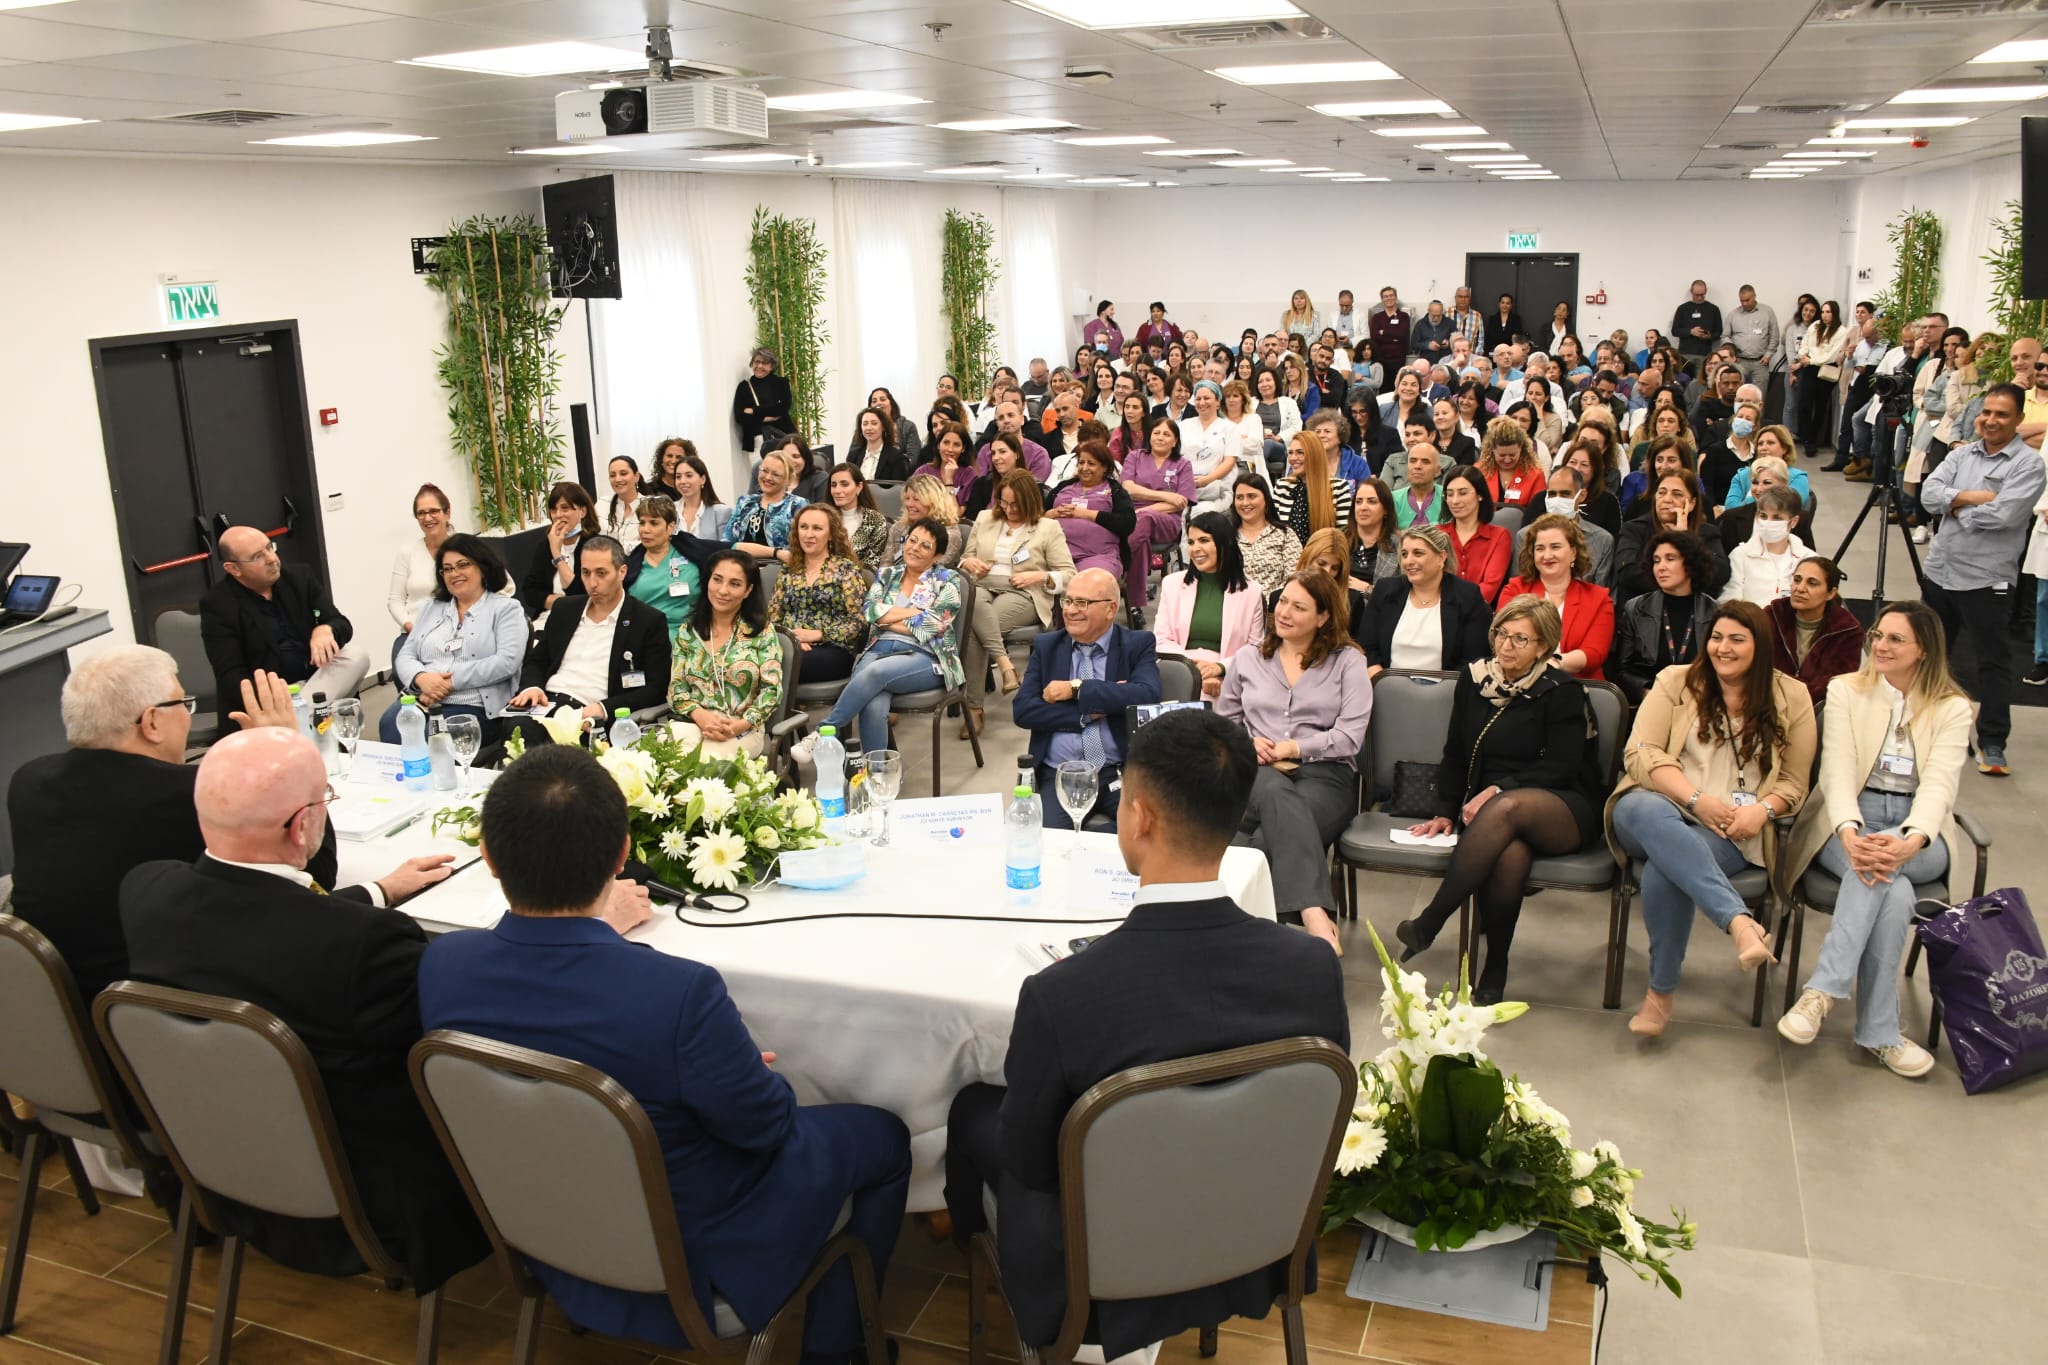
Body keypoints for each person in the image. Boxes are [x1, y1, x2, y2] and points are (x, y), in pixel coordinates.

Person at [418, 744, 908, 1359]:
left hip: (540, 1232)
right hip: (690, 1257)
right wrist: (741, 1071)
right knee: (885, 1136)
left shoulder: (442, 965)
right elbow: (765, 1128)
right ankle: (838, 1352)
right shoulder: (677, 993)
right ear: (624, 854)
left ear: (487, 856)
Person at [941, 707, 1346, 1359]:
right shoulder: (1312, 968)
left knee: (969, 1110)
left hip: (1097, 1285)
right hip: (1261, 1245)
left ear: (1140, 817)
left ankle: (965, 1253)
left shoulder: (1062, 994)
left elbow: (1028, 1158)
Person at [119, 727, 481, 1289]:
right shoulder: (364, 947)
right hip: (371, 1205)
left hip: (216, 1172)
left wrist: (377, 892)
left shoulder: (145, 893)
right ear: (302, 825)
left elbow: (259, 923)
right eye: (323, 801)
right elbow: (452, 1043)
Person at [9, 657, 336, 1007]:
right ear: (151, 722)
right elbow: (316, 870)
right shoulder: (187, 795)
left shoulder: (29, 780)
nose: (188, 716)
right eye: (183, 703)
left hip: (47, 1002)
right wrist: (284, 752)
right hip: (156, 1011)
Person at [1777, 602, 1971, 1078]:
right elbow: (1837, 771)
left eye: (1895, 639)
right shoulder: (1847, 690)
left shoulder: (1953, 707)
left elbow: (1940, 786)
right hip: (1849, 817)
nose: (1881, 646)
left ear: (1924, 650)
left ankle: (1821, 992)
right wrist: (1848, 831)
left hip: (1918, 829)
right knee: (1891, 887)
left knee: (1878, 871)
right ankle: (1880, 1033)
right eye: (1877, 636)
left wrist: (1911, 840)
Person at [1606, 600, 1817, 1037]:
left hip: (1733, 829)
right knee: (1645, 809)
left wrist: (1762, 810)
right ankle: (1738, 921)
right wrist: (1696, 800)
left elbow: (1795, 783)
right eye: (1717, 637)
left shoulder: (1791, 696)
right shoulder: (1676, 680)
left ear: (1760, 646)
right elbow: (1641, 753)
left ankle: (1660, 994)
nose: (1723, 648)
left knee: (1667, 869)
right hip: (1660, 805)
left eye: (1737, 639)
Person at [1393, 595, 1604, 1002]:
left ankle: (1430, 921)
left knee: (1507, 806)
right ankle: (1496, 966)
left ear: (1543, 647)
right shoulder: (1474, 680)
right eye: (1501, 634)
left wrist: (1499, 788)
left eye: (1520, 639)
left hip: (1560, 802)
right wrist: (1446, 809)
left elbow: (1563, 764)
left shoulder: (1561, 690)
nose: (1506, 646)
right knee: (1510, 854)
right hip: (1491, 812)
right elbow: (1455, 751)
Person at [1216, 570, 1370, 954]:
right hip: (1257, 770)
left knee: (1260, 842)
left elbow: (1350, 737)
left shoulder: (1348, 662)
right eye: (1282, 601)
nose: (1284, 612)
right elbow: (1224, 725)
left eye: (1299, 607)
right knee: (1271, 789)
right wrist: (1247, 743)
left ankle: (1246, 939)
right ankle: (1313, 914)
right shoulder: (1249, 658)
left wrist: (1294, 748)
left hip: (1326, 774)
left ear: (1323, 617)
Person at [1919, 382, 2043, 775]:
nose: (1990, 420)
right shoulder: (1961, 454)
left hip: (1986, 579)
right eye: (1987, 412)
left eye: (2002, 414)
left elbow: (2005, 515)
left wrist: (1953, 505)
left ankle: (1992, 742)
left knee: (1992, 662)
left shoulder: (2028, 465)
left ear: (2018, 419)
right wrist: (1973, 498)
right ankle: (1925, 731)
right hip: (1940, 571)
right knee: (1929, 656)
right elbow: (1927, 494)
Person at [1010, 569, 1159, 830]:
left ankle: (1092, 845)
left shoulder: (1137, 644)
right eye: (1068, 601)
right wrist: (1088, 712)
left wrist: (1077, 689)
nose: (1070, 610)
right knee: (1049, 839)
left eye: (1082, 603)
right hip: (1060, 773)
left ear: (1111, 609)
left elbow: (1146, 695)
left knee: (1148, 831)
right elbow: (1023, 711)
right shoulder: (1047, 646)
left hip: (1118, 771)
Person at [801, 518, 964, 757]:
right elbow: (870, 611)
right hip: (879, 648)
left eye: (925, 546)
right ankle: (877, 770)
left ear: (937, 555)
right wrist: (914, 613)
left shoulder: (948, 580)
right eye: (912, 540)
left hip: (927, 656)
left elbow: (932, 625)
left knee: (875, 673)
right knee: (873, 704)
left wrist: (886, 618)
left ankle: (823, 732)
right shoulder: (888, 574)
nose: (915, 548)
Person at [504, 536, 673, 746]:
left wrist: (605, 708)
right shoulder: (565, 609)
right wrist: (532, 688)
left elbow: (656, 688)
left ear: (622, 572)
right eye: (586, 573)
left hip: (591, 711)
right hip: (547, 703)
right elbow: (537, 660)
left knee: (564, 754)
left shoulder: (646, 620)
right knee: (516, 734)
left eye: (601, 573)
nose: (592, 583)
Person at [201, 525, 369, 724]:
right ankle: (300, 719)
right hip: (275, 697)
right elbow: (231, 676)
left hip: (319, 680)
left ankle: (297, 720)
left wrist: (326, 629)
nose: (272, 558)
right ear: (234, 569)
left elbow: (341, 624)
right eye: (257, 556)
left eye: (269, 547)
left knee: (355, 656)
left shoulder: (300, 577)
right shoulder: (218, 604)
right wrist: (275, 699)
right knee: (317, 702)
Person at [379, 535, 526, 743]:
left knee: (428, 739)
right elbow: (405, 655)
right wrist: (422, 678)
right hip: (424, 698)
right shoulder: (430, 608)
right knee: (390, 725)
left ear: (482, 567)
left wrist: (448, 681)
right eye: (447, 569)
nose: (454, 573)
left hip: (475, 707)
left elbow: (506, 662)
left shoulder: (506, 609)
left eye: (463, 565)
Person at [957, 468, 1075, 720]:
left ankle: (974, 709)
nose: (1009, 510)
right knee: (976, 611)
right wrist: (969, 563)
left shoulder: (1047, 527)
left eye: (1015, 505)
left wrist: (1038, 577)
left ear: (1029, 501)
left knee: (974, 628)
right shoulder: (985, 518)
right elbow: (965, 558)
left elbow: (1069, 575)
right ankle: (1005, 665)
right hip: (983, 585)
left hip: (1023, 591)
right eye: (1004, 502)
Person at [1153, 510, 1265, 698]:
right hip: (1179, 667)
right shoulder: (1171, 584)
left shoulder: (1251, 591)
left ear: (1224, 543)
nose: (1195, 548)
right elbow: (1161, 639)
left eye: (1204, 540)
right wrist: (1196, 670)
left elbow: (1255, 648)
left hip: (1230, 672)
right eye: (1191, 542)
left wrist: (1219, 668)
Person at [1358, 524, 1492, 677]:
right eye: (1404, 554)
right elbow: (1367, 646)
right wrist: (1379, 681)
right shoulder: (1385, 590)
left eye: (1418, 553)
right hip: (1388, 685)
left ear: (1441, 557)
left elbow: (1474, 659)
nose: (1408, 561)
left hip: (1446, 688)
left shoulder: (1467, 595)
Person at [1498, 513, 1614, 679]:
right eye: (1540, 548)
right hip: (1519, 680)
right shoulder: (1514, 590)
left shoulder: (1599, 598)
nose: (1547, 555)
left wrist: (1554, 663)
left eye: (1555, 547)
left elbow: (1595, 653)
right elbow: (1504, 640)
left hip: (1577, 683)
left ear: (1573, 552)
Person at [1612, 530, 1719, 705]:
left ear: (1691, 563)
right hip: (1650, 701)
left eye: (1670, 559)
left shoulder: (1715, 612)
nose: (1661, 567)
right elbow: (1621, 670)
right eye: (1656, 560)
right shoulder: (1636, 609)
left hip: (1701, 703)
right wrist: (1648, 694)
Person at [771, 505, 868, 685]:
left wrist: (817, 634)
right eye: (804, 527)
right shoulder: (788, 570)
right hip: (790, 646)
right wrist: (789, 639)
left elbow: (860, 622)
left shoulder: (846, 570)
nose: (809, 534)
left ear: (831, 534)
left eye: (817, 528)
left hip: (833, 649)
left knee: (779, 663)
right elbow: (774, 617)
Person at [1615, 469, 1728, 604]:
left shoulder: (1707, 532)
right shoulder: (1634, 529)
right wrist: (1679, 584)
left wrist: (1684, 538)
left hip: (1693, 607)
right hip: (1644, 607)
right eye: (1661, 492)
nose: (1667, 499)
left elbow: (1720, 574)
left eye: (1677, 494)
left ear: (1692, 503)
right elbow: (1628, 573)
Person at [1119, 414, 1195, 611]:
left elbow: (1180, 503)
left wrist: (1143, 510)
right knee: (1141, 542)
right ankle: (1135, 606)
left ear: (1175, 441)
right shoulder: (1135, 457)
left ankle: (1115, 561)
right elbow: (1128, 488)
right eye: (1156, 433)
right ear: (1149, 436)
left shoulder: (1183, 464)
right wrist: (1165, 496)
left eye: (1166, 434)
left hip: (1166, 522)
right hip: (1135, 520)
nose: (1160, 437)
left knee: (1145, 519)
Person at [1767, 555, 1863, 710]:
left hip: (1818, 708)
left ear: (1831, 593)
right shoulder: (1771, 615)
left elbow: (1835, 684)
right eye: (1797, 580)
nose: (1800, 588)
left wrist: (1795, 700)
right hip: (1768, 702)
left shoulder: (1848, 631)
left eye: (1812, 583)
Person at [1046, 441, 1136, 590]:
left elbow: (1127, 523)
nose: (1084, 468)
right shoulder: (1063, 487)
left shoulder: (1115, 491)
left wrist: (1086, 514)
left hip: (1097, 556)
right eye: (1081, 463)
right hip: (1055, 554)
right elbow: (1033, 518)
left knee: (1089, 585)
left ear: (1104, 467)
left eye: (1091, 464)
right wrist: (1051, 514)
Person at [1519, 465, 1616, 589]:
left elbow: (1602, 590)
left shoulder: (1602, 540)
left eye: (1565, 494)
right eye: (1552, 494)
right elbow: (1520, 586)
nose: (1557, 500)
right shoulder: (1524, 535)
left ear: (1582, 495)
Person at [519, 481, 603, 615]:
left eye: (565, 508)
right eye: (554, 510)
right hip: (550, 614)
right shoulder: (545, 545)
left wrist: (557, 554)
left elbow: (581, 595)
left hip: (587, 615)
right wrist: (557, 602)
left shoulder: (597, 546)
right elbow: (529, 591)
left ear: (582, 511)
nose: (558, 515)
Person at [1721, 486, 1813, 607]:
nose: (1768, 523)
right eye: (1763, 516)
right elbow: (1729, 601)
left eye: (1777, 518)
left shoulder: (1808, 559)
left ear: (1794, 521)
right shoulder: (1740, 555)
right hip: (1749, 618)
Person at [387, 482, 454, 638]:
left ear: (447, 513)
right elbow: (395, 600)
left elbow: (504, 587)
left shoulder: (466, 548)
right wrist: (409, 626)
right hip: (415, 631)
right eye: (421, 513)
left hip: (455, 630)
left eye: (433, 511)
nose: (427, 518)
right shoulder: (407, 553)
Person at [1440, 463, 1511, 607]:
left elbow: (1489, 589)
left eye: (1463, 493)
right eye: (1450, 494)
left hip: (1477, 611)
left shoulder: (1499, 536)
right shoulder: (1436, 534)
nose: (1455, 501)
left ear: (1480, 495)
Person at [728, 446, 809, 563]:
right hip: (742, 566)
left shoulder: (797, 505)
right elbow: (728, 542)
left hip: (781, 568)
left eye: (776, 474)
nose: (768, 477)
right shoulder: (745, 502)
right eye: (764, 471)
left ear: (788, 479)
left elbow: (803, 546)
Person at [1272, 430, 1354, 542]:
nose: (1293, 458)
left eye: (1300, 453)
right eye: (1290, 453)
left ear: (1315, 455)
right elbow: (1273, 531)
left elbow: (1342, 536)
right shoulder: (1282, 486)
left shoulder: (1339, 488)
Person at [1231, 473, 1302, 597]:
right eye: (1240, 497)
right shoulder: (1227, 536)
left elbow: (1294, 578)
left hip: (1275, 605)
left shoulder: (1285, 534)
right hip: (1235, 604)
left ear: (1266, 499)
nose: (1245, 503)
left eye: (1252, 496)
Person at [1796, 300, 1850, 461]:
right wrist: (1802, 355)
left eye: (1828, 312)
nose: (1825, 315)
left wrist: (1812, 360)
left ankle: (1813, 440)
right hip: (1810, 367)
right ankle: (1806, 439)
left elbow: (1832, 355)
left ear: (1835, 313)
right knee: (1805, 404)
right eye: (1823, 312)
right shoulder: (1815, 326)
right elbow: (1805, 343)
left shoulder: (1841, 331)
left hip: (1826, 370)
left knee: (1820, 406)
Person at [885, 473, 965, 569]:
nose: (909, 504)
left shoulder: (949, 535)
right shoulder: (898, 528)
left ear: (933, 502)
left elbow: (931, 570)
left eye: (916, 499)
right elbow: (886, 564)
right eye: (907, 498)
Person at [1722, 425, 1809, 510]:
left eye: (1770, 443)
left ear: (1784, 448)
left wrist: (1749, 500)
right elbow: (1731, 508)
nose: (1763, 448)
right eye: (1760, 444)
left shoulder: (1798, 477)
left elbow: (1786, 506)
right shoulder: (1742, 475)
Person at [824, 462, 889, 573]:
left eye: (844, 484)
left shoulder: (875, 520)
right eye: (833, 485)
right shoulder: (823, 517)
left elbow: (872, 565)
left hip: (859, 579)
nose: (837, 491)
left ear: (859, 487)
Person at [1478, 416, 1545, 513]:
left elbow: (1538, 511)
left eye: (1512, 455)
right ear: (1492, 450)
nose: (1507, 460)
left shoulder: (1536, 475)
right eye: (1502, 455)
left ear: (1522, 449)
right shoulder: (1479, 471)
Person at [732, 346, 792, 453]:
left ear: (772, 366)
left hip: (783, 437)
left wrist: (754, 410)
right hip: (756, 441)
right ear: (752, 364)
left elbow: (783, 408)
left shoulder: (781, 383)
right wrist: (766, 418)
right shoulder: (744, 387)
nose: (759, 366)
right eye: (757, 362)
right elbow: (740, 417)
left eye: (764, 363)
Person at [1722, 284, 1781, 392]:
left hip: (1761, 363)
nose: (1744, 303)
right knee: (1738, 393)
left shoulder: (1767, 311)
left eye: (1747, 300)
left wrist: (1768, 354)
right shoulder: (1733, 314)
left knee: (1759, 395)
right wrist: (1731, 352)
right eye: (1741, 301)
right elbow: (1725, 336)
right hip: (1740, 361)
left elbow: (1774, 335)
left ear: (1754, 296)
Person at [669, 446, 733, 543]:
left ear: (702, 479)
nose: (682, 481)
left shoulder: (721, 512)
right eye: (678, 477)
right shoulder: (669, 510)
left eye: (689, 476)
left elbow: (726, 547)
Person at [845, 406, 911, 484]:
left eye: (874, 423)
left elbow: (898, 488)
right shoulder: (853, 456)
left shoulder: (896, 457)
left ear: (883, 427)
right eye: (865, 424)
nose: (869, 428)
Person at [1672, 280, 1722, 375]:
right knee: (1684, 379)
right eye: (1696, 295)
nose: (1699, 298)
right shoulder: (1682, 309)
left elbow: (1719, 332)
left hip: (1705, 354)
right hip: (1685, 354)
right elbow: (1675, 331)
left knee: (1702, 380)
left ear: (1706, 291)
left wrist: (1709, 336)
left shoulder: (1713, 309)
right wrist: (1690, 331)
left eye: (1702, 295)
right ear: (1691, 292)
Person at [1393, 443, 1448, 529]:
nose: (1417, 466)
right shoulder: (1392, 499)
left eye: (1426, 462)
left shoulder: (1448, 497)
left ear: (1437, 470)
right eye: (1413, 461)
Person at [1370, 286, 1413, 375]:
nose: (1389, 298)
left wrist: (1383, 332)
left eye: (1391, 295)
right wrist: (1393, 338)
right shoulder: (1376, 318)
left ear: (1396, 297)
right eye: (1385, 296)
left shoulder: (1404, 316)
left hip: (1398, 359)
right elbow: (1374, 337)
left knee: (1397, 382)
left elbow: (1401, 335)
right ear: (1382, 299)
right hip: (1380, 359)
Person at [602, 454, 644, 540]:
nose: (617, 479)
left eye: (623, 474)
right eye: (612, 475)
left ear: (636, 476)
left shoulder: (650, 506)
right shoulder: (602, 503)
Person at [1431, 397, 1479, 467]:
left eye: (1444, 413)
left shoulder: (1467, 443)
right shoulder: (1428, 441)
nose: (1440, 417)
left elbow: (1464, 471)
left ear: (1456, 417)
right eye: (1436, 414)